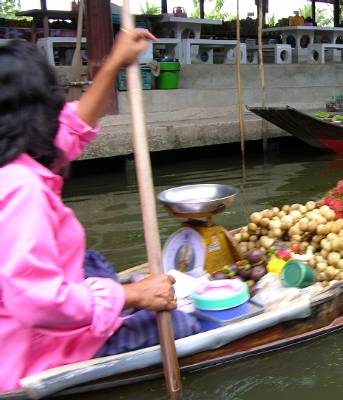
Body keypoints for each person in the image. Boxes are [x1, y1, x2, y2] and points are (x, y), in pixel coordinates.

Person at [0, 32, 202, 391]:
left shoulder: (17, 156)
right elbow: (39, 302)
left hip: (31, 316)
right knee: (183, 325)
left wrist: (114, 64)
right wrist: (131, 296)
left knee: (92, 261)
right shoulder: (21, 189)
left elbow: (69, 130)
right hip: (33, 350)